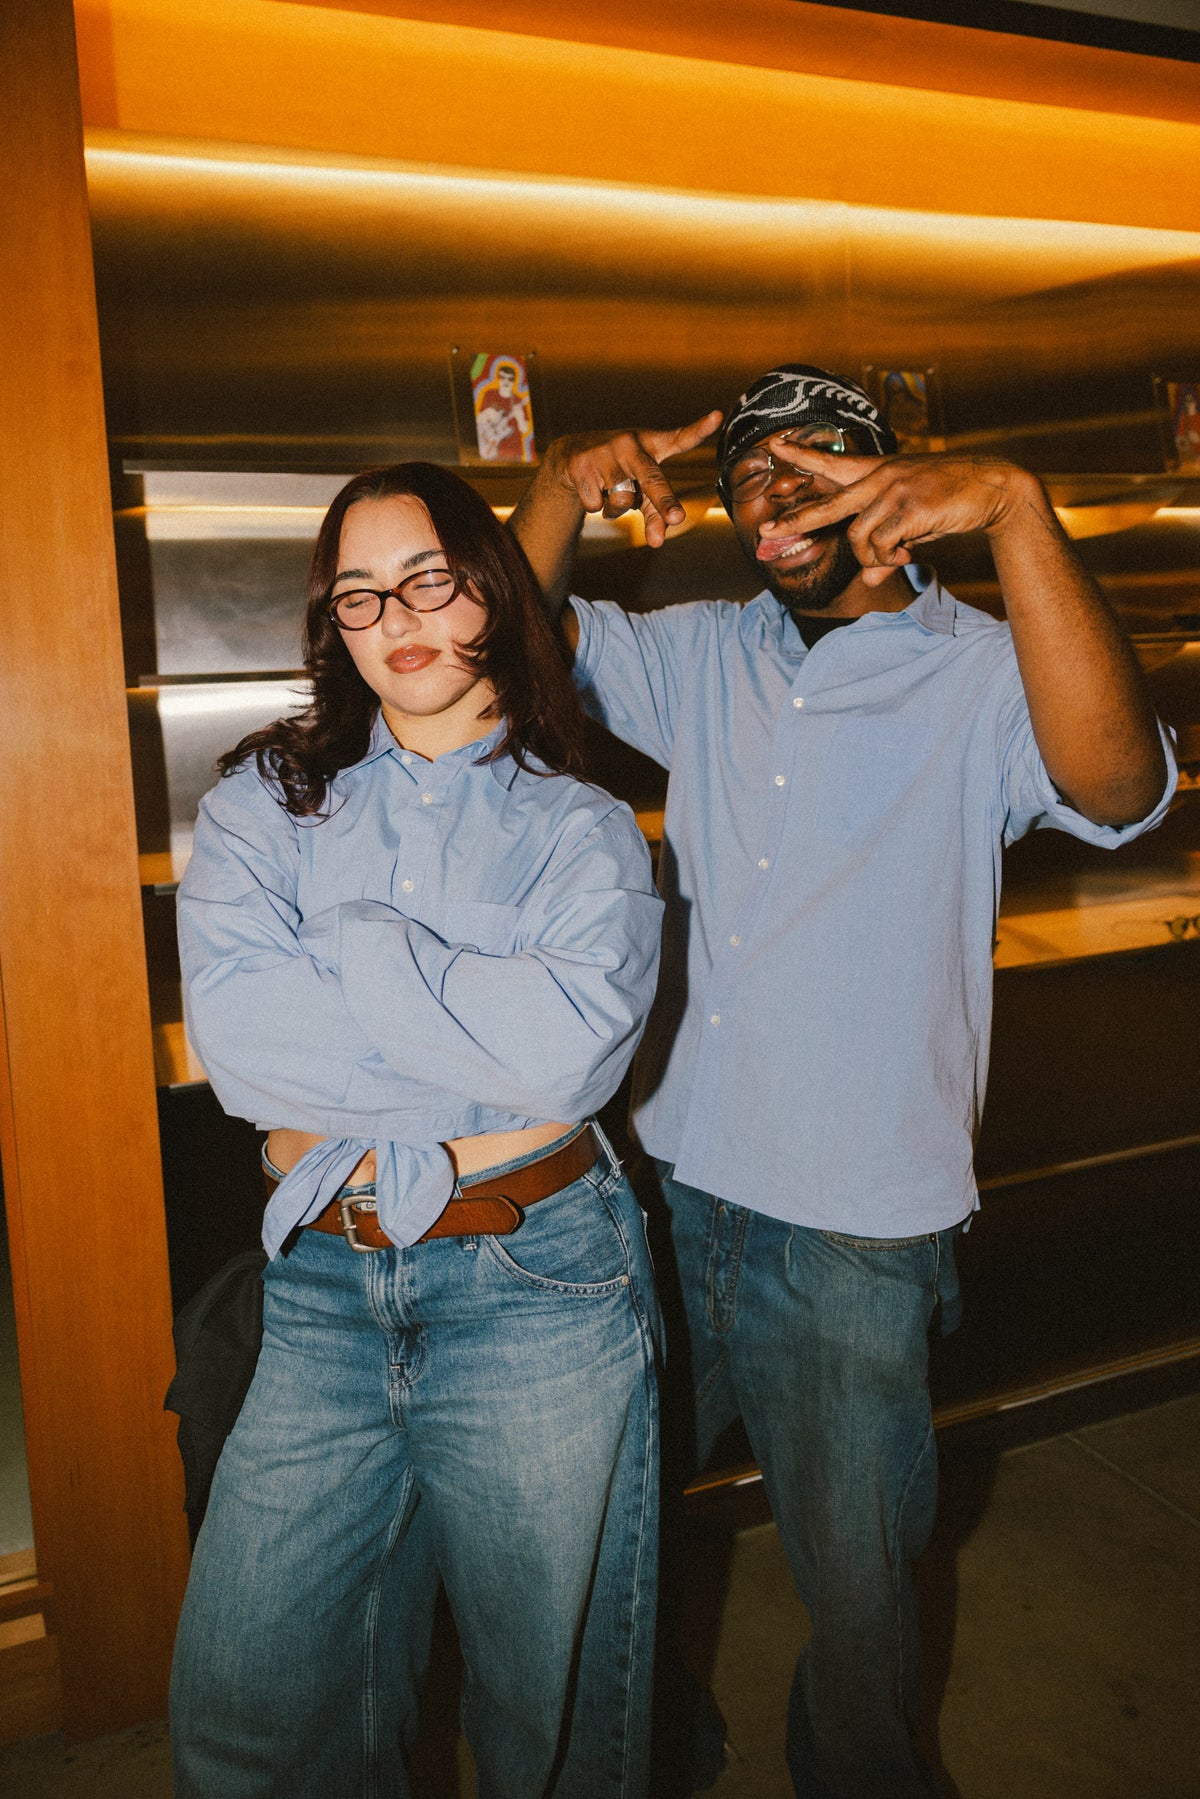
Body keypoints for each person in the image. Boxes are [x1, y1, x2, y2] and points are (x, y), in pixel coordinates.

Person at [507, 364, 1175, 1799]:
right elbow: (502, 646)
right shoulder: (703, 652)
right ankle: (652, 1747)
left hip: (858, 1223)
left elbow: (1122, 790)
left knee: (861, 1592)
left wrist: (1017, 509)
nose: (776, 489)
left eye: (814, 458)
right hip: (669, 1188)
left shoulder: (985, 669)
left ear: (892, 480)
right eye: (749, 471)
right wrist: (558, 485)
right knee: (618, 1525)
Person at [170, 462, 664, 1799]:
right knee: (248, 1709)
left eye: (429, 579)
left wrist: (352, 948)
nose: (397, 617)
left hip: (539, 1287)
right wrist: (469, 1027)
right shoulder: (266, 801)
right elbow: (243, 1047)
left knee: (546, 1716)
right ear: (331, 623)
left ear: (491, 590)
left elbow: (572, 1054)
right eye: (360, 594)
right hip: (323, 1288)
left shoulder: (584, 826)